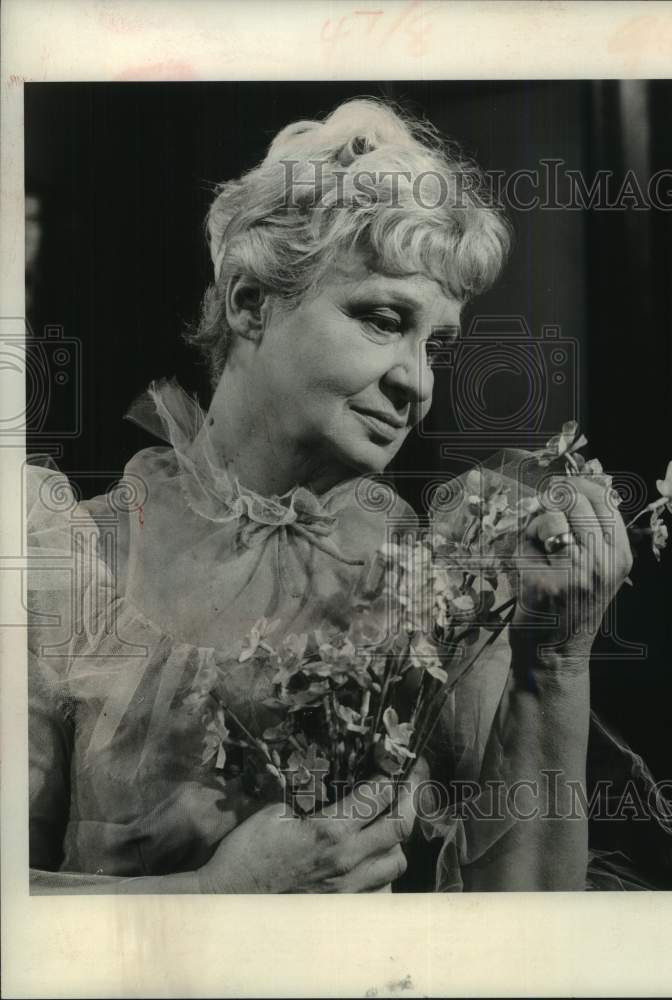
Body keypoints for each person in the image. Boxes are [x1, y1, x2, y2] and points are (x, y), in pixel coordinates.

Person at [26, 98, 632, 893]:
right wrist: (218, 896)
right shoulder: (70, 559)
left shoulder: (437, 579)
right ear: (249, 303)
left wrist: (552, 664)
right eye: (383, 320)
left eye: (436, 346)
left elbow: (528, 934)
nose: (416, 382)